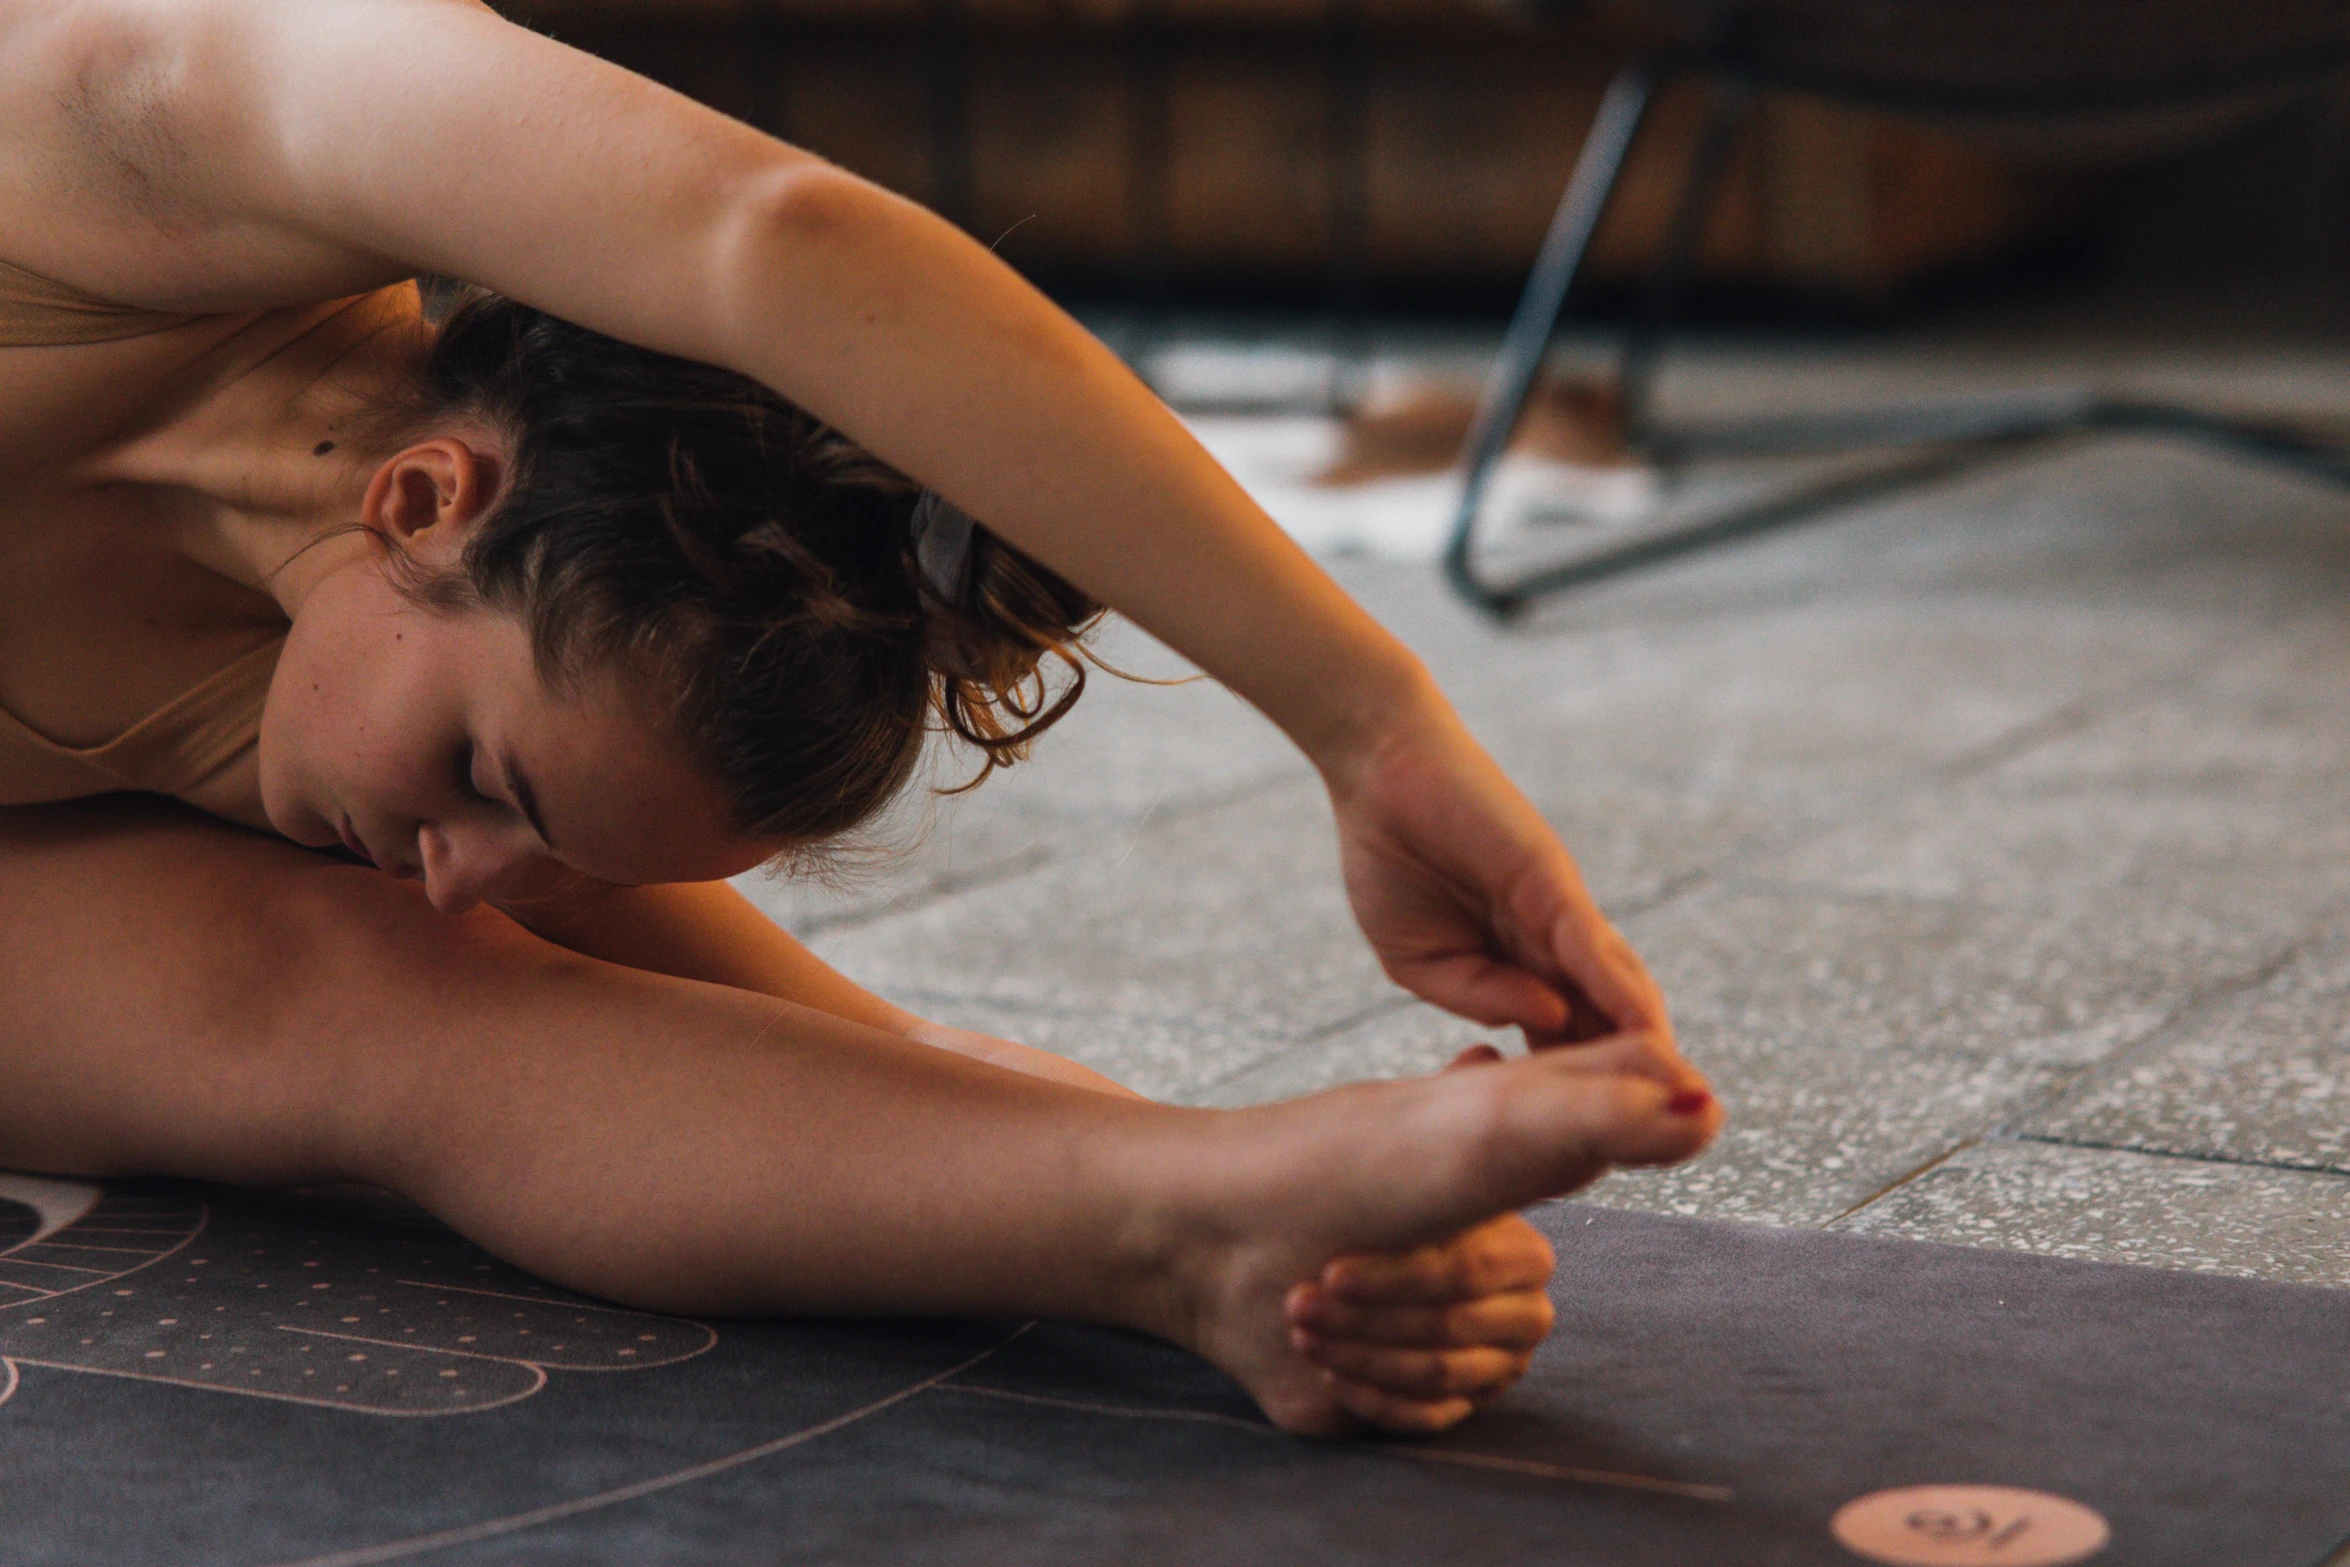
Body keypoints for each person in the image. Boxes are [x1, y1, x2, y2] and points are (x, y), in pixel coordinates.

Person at [0, 0, 1720, 1439]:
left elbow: (866, 1054)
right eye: (482, 778)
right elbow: (767, 234)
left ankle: (1182, 1251)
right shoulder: (136, 108)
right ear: (428, 496)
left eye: (535, 841)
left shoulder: (370, 711)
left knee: (381, 992)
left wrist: (1246, 1187)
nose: (458, 874)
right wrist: (1369, 722)